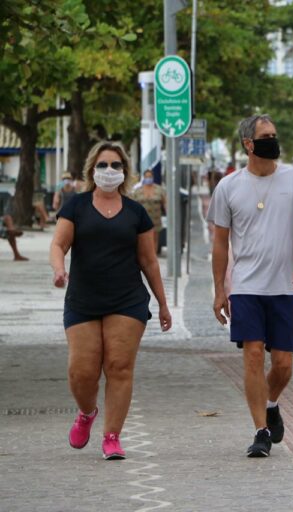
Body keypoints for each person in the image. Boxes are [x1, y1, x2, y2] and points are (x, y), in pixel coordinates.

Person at [207, 114, 293, 458]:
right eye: (265, 136)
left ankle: (271, 404)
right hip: (246, 288)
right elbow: (219, 243)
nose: (273, 140)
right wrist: (219, 290)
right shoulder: (228, 187)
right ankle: (260, 431)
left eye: (275, 134)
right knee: (253, 356)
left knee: (283, 364)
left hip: (285, 287)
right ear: (248, 144)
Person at [49, 141, 172, 461]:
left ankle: (112, 436)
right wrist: (60, 270)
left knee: (119, 366)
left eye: (116, 166)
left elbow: (149, 262)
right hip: (83, 299)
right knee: (82, 372)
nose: (109, 171)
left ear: (124, 172)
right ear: (92, 170)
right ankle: (87, 413)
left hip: (127, 300)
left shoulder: (136, 212)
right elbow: (58, 245)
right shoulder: (76, 205)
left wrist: (162, 303)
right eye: (103, 165)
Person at [131, 169, 166, 254]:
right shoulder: (138, 191)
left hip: (155, 220)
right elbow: (132, 205)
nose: (148, 178)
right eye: (146, 177)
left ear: (153, 177)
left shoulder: (159, 189)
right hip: (141, 220)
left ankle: (153, 256)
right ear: (144, 178)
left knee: (154, 239)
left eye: (150, 176)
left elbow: (165, 203)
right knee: (142, 239)